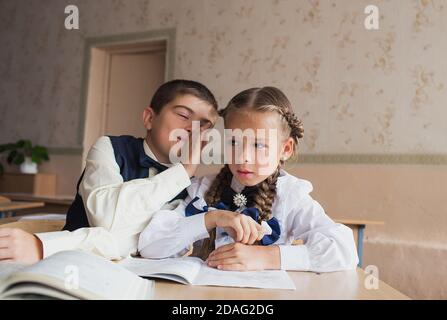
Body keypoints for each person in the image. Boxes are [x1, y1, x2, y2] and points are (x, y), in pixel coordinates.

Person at [138, 86, 358, 272]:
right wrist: (212, 219)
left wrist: (266, 257)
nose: (243, 157)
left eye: (259, 145)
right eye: (234, 142)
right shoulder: (201, 189)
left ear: (286, 149)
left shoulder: (290, 196)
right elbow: (150, 246)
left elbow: (345, 251)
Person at [0, 79, 219, 264]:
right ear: (149, 118)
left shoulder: (194, 187)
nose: (193, 129)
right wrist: (182, 172)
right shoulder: (109, 148)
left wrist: (184, 174)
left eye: (204, 125)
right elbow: (107, 221)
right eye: (183, 115)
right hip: (71, 268)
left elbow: (141, 242)